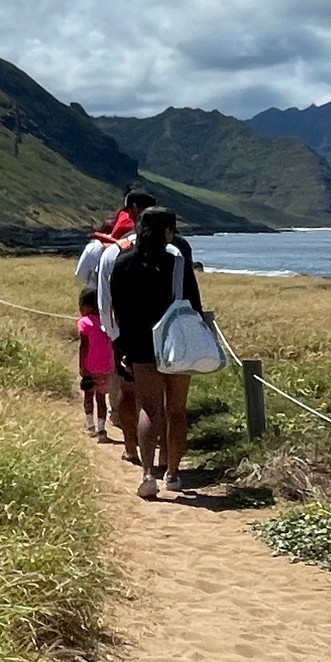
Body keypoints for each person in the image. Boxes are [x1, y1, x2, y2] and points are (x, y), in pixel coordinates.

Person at [108, 206, 204, 498]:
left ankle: (148, 474)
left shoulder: (123, 264)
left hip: (140, 344)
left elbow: (119, 311)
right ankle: (173, 474)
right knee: (176, 411)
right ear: (168, 232)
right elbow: (194, 306)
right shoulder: (178, 263)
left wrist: (121, 346)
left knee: (148, 408)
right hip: (176, 345)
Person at [94, 187, 157, 466]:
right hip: (161, 335)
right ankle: (165, 458)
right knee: (161, 398)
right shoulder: (173, 252)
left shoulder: (113, 252)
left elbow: (104, 300)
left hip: (126, 334)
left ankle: (132, 448)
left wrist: (113, 334)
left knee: (129, 393)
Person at [76, 288, 114, 438]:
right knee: (101, 398)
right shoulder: (105, 322)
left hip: (90, 366)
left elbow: (83, 346)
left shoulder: (84, 323)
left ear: (87, 306)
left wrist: (81, 365)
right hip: (105, 366)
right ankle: (102, 428)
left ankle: (90, 424)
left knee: (88, 395)